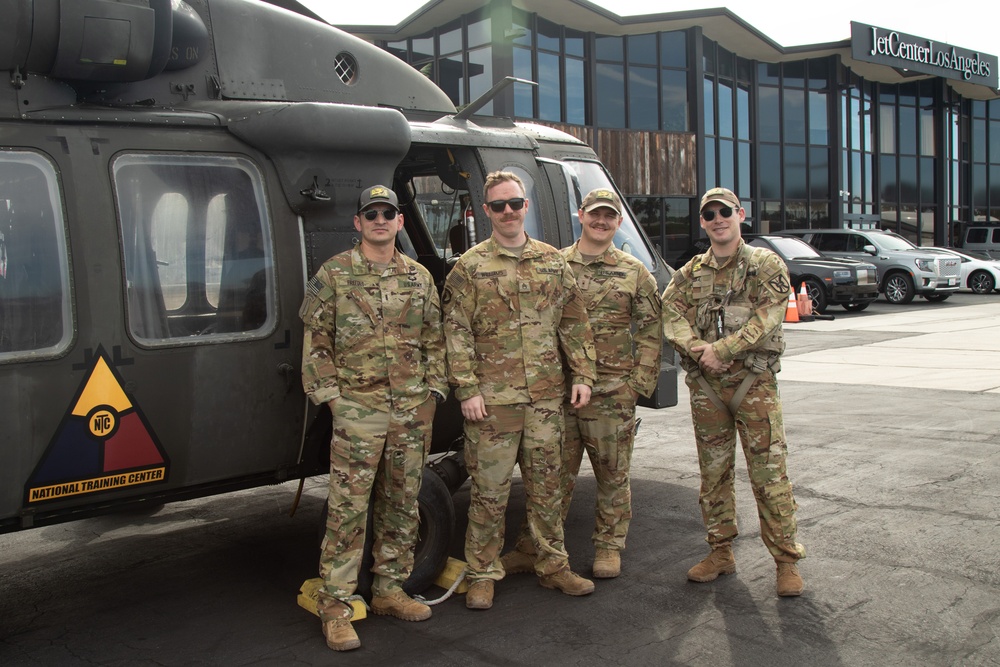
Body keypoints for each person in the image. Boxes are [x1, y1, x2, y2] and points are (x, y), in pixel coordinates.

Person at [300, 185, 448, 650]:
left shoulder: (420, 278)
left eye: (388, 213)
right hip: (358, 414)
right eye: (371, 213)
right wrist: (333, 400)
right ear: (358, 223)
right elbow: (315, 342)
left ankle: (389, 590)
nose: (380, 220)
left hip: (410, 412)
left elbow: (435, 341)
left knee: (403, 504)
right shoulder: (335, 275)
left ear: (400, 221)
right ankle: (337, 605)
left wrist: (434, 393)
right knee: (348, 510)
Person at [442, 170, 597, 610]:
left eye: (514, 203)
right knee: (489, 492)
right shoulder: (470, 267)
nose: (508, 212)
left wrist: (583, 374)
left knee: (549, 487)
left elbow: (573, 320)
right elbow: (455, 330)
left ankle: (552, 565)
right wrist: (467, 388)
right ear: (486, 211)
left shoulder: (552, 261)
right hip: (493, 402)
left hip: (546, 398)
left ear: (525, 207)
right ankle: (483, 572)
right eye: (498, 206)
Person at [502, 188, 662, 579]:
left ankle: (608, 547)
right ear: (581, 215)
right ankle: (532, 546)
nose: (601, 222)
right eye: (595, 214)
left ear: (618, 222)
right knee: (549, 477)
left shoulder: (632, 270)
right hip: (560, 391)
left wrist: (636, 385)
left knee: (612, 474)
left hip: (611, 392)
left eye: (609, 216)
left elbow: (653, 330)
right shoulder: (554, 264)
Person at [660, 186, 806, 597]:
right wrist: (698, 351)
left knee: (769, 474)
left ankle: (786, 561)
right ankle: (720, 552)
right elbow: (670, 314)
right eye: (709, 214)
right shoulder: (689, 273)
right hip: (708, 389)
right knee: (713, 475)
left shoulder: (764, 265)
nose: (718, 219)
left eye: (725, 211)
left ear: (740, 214)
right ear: (702, 222)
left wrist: (722, 349)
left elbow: (770, 315)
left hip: (753, 385)